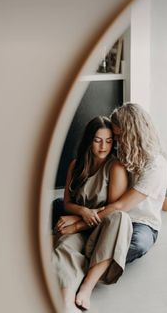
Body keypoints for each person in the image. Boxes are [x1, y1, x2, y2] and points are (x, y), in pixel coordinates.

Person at [57, 102, 167, 267]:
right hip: (109, 212)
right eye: (114, 137)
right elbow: (109, 203)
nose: (114, 142)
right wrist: (82, 212)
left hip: (139, 221)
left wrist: (78, 224)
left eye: (118, 136)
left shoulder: (156, 166)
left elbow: (120, 205)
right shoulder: (121, 150)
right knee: (56, 207)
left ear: (132, 134)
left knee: (138, 245)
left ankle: (87, 260)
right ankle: (92, 248)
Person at [53, 116, 133, 313]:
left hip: (102, 229)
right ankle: (65, 302)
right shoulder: (76, 165)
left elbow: (112, 210)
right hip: (78, 229)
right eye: (98, 140)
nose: (103, 146)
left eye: (108, 140)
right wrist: (82, 211)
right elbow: (67, 202)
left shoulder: (115, 167)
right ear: (89, 140)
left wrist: (78, 220)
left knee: (122, 218)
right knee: (65, 250)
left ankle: (86, 288)